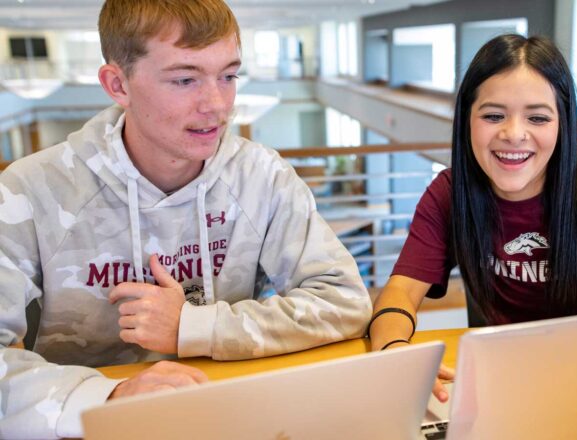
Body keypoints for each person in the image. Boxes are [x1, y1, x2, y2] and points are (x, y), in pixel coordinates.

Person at [0, 0, 371, 438]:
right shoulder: (31, 190)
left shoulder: (261, 176)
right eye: (184, 79)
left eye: (229, 76)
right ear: (117, 84)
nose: (217, 105)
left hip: (230, 411)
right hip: (90, 424)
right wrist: (111, 398)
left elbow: (344, 301)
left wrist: (193, 327)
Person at [368, 34, 577, 402]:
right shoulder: (450, 194)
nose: (514, 133)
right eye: (493, 115)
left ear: (562, 124)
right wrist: (393, 348)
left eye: (538, 117)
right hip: (506, 383)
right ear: (467, 119)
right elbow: (400, 291)